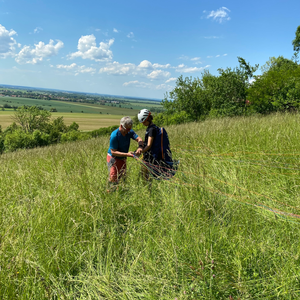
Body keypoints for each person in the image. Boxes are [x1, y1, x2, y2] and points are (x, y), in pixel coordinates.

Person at [107, 116, 143, 189]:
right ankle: (110, 194)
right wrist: (127, 154)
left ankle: (121, 193)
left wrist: (140, 147)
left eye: (130, 129)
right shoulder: (115, 135)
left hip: (123, 157)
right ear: (121, 126)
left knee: (122, 177)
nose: (129, 131)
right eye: (127, 129)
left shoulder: (129, 131)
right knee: (113, 178)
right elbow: (113, 152)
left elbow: (139, 139)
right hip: (113, 158)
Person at [138, 109, 174, 180]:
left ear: (148, 119)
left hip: (149, 157)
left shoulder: (151, 130)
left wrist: (141, 151)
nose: (143, 124)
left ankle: (148, 190)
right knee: (147, 176)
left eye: (144, 122)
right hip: (150, 156)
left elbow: (149, 145)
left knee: (146, 177)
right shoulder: (153, 127)